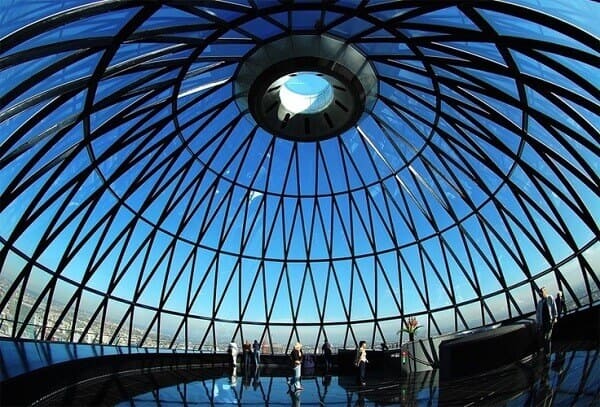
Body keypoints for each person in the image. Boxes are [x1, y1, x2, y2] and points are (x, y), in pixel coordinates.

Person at [536, 287, 557, 358]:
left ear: (545, 292)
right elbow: (538, 314)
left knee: (547, 338)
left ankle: (548, 353)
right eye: (539, 293)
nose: (540, 294)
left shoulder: (550, 298)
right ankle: (547, 352)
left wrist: (555, 317)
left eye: (541, 292)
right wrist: (539, 323)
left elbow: (554, 307)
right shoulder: (540, 303)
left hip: (549, 322)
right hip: (543, 323)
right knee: (544, 338)